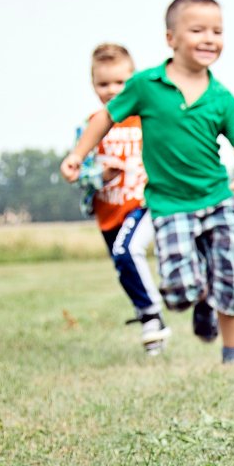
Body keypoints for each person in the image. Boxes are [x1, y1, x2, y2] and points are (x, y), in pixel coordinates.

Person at [61, 0, 234, 365]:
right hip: (168, 205)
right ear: (171, 38)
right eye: (197, 29)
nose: (209, 38)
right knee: (178, 291)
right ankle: (201, 299)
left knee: (233, 278)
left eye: (217, 30)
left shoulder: (222, 97)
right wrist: (78, 154)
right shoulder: (146, 86)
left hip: (217, 198)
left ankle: (232, 353)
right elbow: (104, 118)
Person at [64, 43, 170, 355]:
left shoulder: (145, 120)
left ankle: (152, 316)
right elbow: (79, 169)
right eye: (103, 84)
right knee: (124, 267)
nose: (112, 90)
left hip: (142, 205)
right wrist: (98, 175)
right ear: (92, 84)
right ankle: (151, 323)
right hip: (108, 211)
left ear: (133, 80)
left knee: (128, 251)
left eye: (120, 82)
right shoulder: (90, 126)